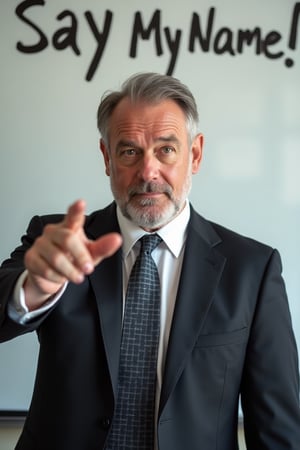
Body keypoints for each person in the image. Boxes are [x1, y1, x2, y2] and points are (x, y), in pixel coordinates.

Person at [0, 72, 299, 450]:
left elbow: (277, 428)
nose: (148, 172)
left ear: (195, 154)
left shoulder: (252, 270)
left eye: (166, 149)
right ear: (107, 158)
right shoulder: (58, 243)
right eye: (129, 151)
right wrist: (34, 288)